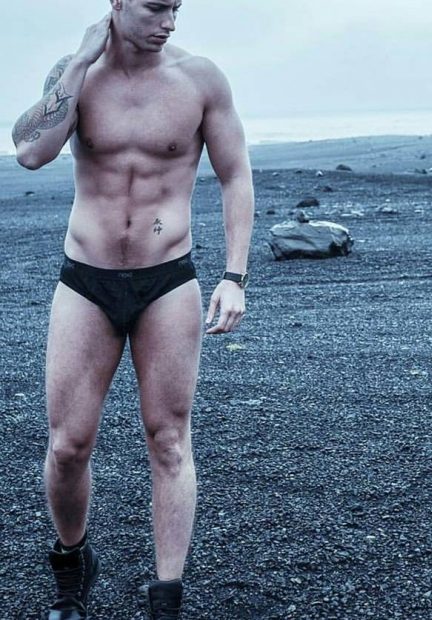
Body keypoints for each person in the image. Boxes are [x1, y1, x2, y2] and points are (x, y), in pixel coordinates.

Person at [12, 1, 254, 618]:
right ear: (117, 2)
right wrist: (79, 64)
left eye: (176, 7)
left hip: (167, 280)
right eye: (154, 6)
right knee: (68, 445)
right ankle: (73, 565)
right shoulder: (76, 73)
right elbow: (31, 153)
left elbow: (235, 175)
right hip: (86, 281)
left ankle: (166, 598)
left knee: (169, 440)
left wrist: (234, 276)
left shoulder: (200, 78)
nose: (169, 21)